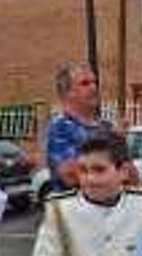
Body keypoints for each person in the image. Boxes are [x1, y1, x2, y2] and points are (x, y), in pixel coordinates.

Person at [33, 131, 142, 256]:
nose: (90, 178)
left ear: (123, 171)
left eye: (99, 170)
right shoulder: (60, 210)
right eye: (83, 170)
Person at [45, 62, 112, 192]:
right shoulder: (60, 127)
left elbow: (131, 176)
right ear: (67, 92)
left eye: (94, 82)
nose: (94, 88)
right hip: (76, 208)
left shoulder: (107, 127)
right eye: (85, 84)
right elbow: (70, 176)